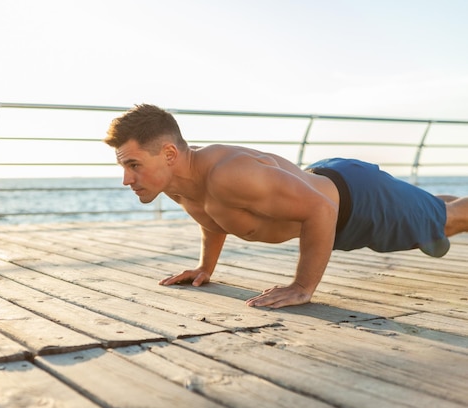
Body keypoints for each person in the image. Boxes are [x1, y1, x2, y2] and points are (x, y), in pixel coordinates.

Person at [104, 104, 468, 308]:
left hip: (358, 203)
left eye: (133, 165)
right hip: (331, 188)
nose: (127, 179)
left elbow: (321, 210)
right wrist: (205, 267)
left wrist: (302, 286)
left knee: (448, 220)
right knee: (434, 209)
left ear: (168, 153)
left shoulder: (229, 173)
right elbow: (212, 215)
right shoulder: (176, 182)